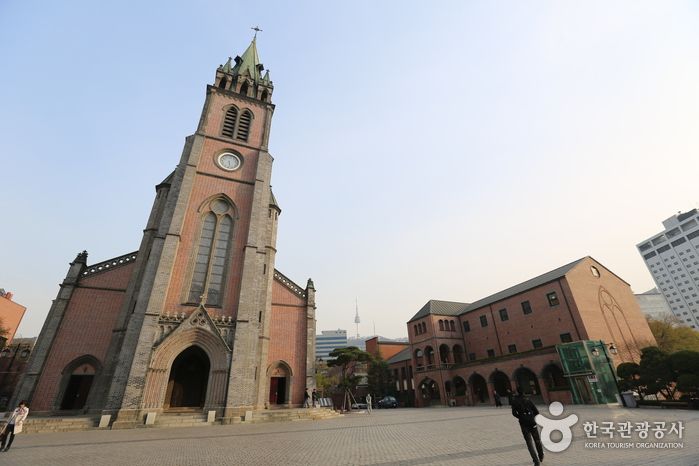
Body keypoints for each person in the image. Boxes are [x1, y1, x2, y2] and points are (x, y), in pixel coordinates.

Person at [511, 388, 544, 466]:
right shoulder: (528, 400)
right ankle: (541, 456)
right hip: (532, 423)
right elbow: (536, 412)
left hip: (523, 424)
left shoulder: (515, 401)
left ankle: (536, 461)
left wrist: (520, 416)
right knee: (537, 440)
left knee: (529, 443)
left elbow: (514, 413)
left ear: (517, 393)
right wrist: (531, 416)